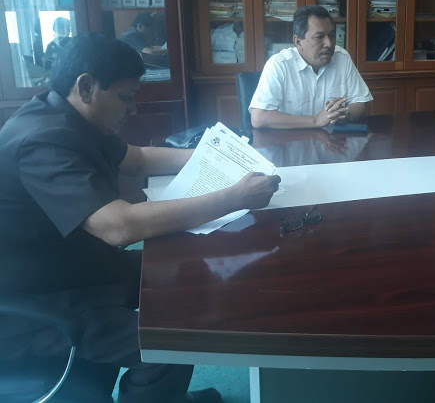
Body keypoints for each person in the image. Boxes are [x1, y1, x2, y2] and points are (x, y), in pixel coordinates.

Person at [0, 33, 280, 403]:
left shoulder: (67, 116)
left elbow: (139, 159)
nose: (132, 109)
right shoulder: (41, 142)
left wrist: (229, 160)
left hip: (70, 268)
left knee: (187, 270)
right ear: (86, 87)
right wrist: (234, 197)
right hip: (33, 305)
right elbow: (119, 226)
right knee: (171, 339)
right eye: (125, 97)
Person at [249, 5, 373, 129]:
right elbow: (259, 118)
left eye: (331, 36)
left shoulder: (342, 58)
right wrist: (316, 120)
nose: (329, 44)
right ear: (298, 42)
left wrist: (343, 114)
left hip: (332, 139)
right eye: (319, 37)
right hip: (290, 139)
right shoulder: (279, 64)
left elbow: (361, 102)